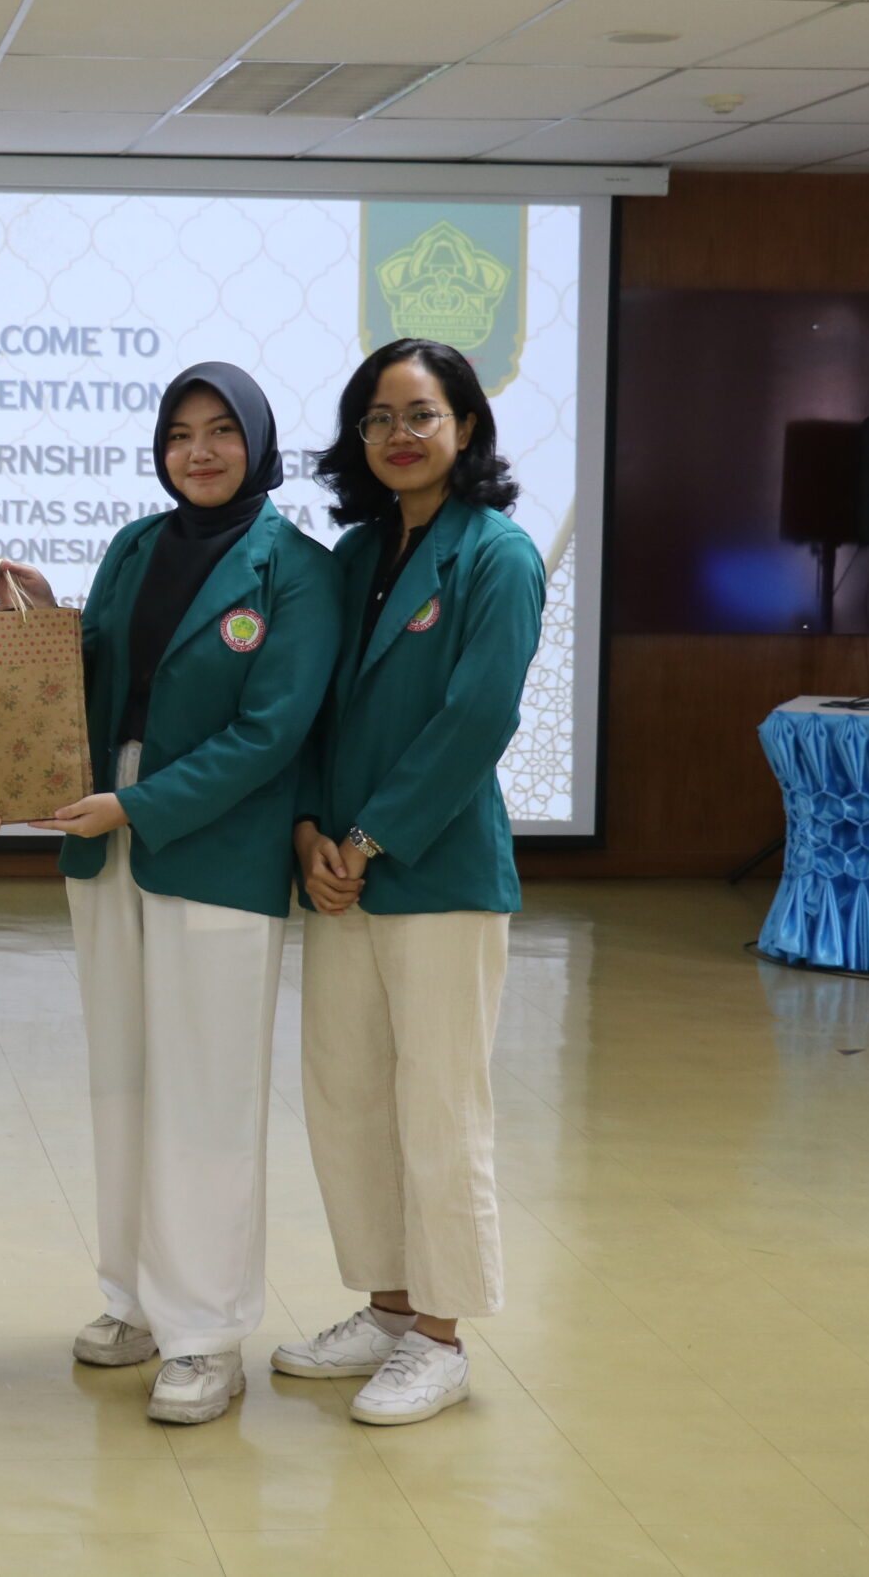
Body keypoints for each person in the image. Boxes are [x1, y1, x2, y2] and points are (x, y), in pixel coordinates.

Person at [0, 362, 338, 1425]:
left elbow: (270, 733)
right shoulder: (137, 545)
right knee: (124, 1081)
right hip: (106, 837)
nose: (199, 451)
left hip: (211, 846)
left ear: (258, 444)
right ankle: (134, 1300)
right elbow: (100, 669)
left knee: (207, 1094)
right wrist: (46, 616)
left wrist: (137, 806)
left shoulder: (296, 570)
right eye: (180, 433)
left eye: (221, 431)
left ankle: (207, 1334)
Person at [271, 338, 543, 1427]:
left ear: (465, 427)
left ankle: (440, 1335)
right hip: (336, 872)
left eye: (421, 414)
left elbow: (477, 718)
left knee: (439, 1105)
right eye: (378, 417)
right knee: (347, 1097)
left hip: (435, 872)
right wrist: (307, 831)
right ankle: (387, 1309)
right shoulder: (349, 555)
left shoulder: (498, 556)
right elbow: (304, 705)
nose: (399, 435)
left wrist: (370, 839)